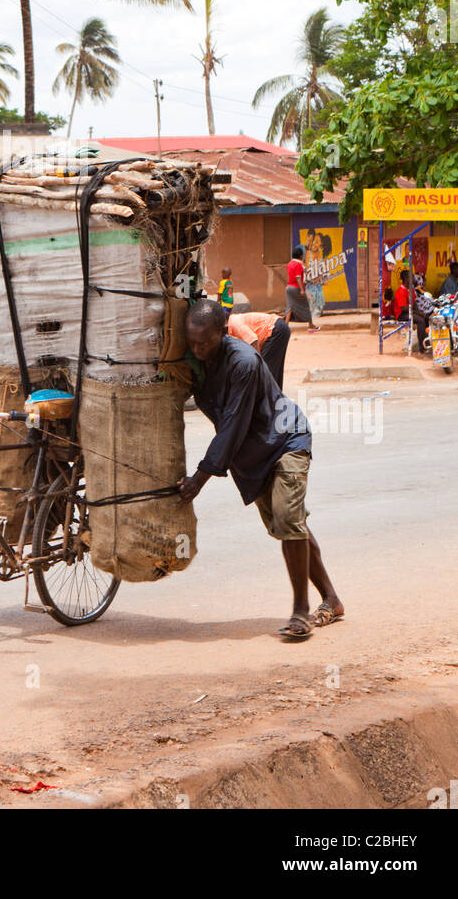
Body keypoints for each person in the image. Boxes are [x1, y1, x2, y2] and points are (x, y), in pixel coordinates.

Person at [179, 299, 343, 640]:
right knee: (289, 525)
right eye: (192, 343)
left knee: (287, 519)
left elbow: (232, 427)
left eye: (205, 343)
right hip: (252, 455)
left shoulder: (244, 362)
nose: (198, 349)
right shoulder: (196, 361)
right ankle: (332, 598)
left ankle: (301, 610)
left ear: (223, 333)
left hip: (286, 440)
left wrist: (200, 478)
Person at [227, 310, 292, 389]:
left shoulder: (234, 324)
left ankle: (270, 398)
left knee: (265, 374)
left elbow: (253, 341)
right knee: (271, 373)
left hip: (275, 329)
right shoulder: (230, 328)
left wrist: (256, 368)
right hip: (278, 328)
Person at [285, 246, 319, 332]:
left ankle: (285, 326)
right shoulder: (298, 264)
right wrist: (302, 290)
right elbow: (298, 278)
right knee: (306, 305)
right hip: (296, 287)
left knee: (290, 307)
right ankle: (311, 325)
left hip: (288, 287)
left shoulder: (289, 264)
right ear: (300, 256)